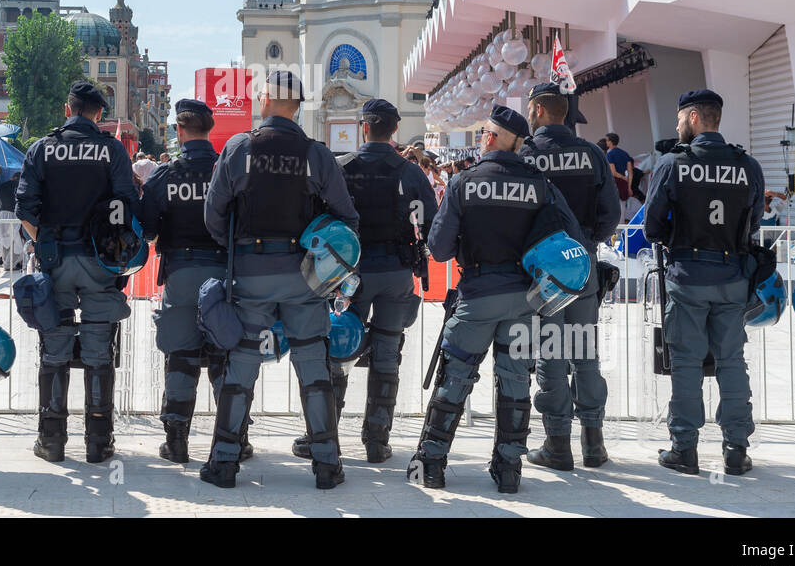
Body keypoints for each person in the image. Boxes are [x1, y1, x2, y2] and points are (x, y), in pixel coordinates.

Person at [408, 105, 583, 493]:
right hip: (524, 298)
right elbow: (570, 238)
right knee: (516, 380)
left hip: (478, 294)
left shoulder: (464, 182)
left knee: (454, 378)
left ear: (489, 137)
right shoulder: (541, 184)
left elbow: (438, 249)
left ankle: (431, 463)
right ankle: (508, 471)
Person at [200, 69, 359, 490]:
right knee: (314, 367)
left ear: (268, 98)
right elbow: (346, 218)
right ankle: (327, 464)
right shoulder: (317, 154)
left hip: (251, 270)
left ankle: (225, 462)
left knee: (242, 366)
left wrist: (237, 249)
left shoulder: (239, 148)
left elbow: (213, 214)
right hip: (304, 274)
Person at [289, 98, 438, 464]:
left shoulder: (342, 167)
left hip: (347, 272)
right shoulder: (410, 172)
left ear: (364, 127)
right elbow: (433, 223)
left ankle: (323, 435)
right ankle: (376, 440)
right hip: (395, 271)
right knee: (388, 353)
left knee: (337, 348)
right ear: (394, 129)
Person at [643, 89, 764, 477]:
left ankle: (685, 447)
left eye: (680, 119)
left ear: (694, 118)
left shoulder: (674, 163)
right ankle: (736, 447)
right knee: (732, 360)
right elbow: (755, 223)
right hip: (732, 277)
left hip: (687, 277)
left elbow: (651, 226)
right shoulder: (747, 165)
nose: (677, 126)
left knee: (686, 362)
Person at [15, 81, 137, 464]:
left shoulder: (42, 148)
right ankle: (99, 443)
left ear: (67, 109)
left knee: (54, 351)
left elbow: (24, 208)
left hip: (56, 261)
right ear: (98, 114)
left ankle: (52, 441)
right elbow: (126, 204)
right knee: (100, 352)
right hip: (101, 262)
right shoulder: (111, 149)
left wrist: (42, 243)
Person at [520, 83, 622, 470]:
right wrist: (586, 244)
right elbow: (611, 213)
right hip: (583, 268)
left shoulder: (527, 154)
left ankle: (557, 445)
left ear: (538, 110)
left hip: (542, 273)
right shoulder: (593, 153)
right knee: (585, 352)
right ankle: (594, 445)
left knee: (551, 351)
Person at [139, 98, 244, 463]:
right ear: (209, 130)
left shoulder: (165, 176)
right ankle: (234, 441)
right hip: (224, 275)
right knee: (224, 355)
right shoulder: (226, 172)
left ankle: (177, 441)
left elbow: (149, 232)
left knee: (181, 356)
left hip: (181, 274)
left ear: (179, 131)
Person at [604, 132, 634, 222]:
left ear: (610, 141)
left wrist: (622, 177)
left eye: (607, 140)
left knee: (615, 207)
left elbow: (613, 172)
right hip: (624, 183)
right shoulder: (625, 154)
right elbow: (630, 172)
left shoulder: (610, 154)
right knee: (623, 207)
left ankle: (618, 231)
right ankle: (622, 229)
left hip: (615, 183)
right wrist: (629, 186)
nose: (606, 142)